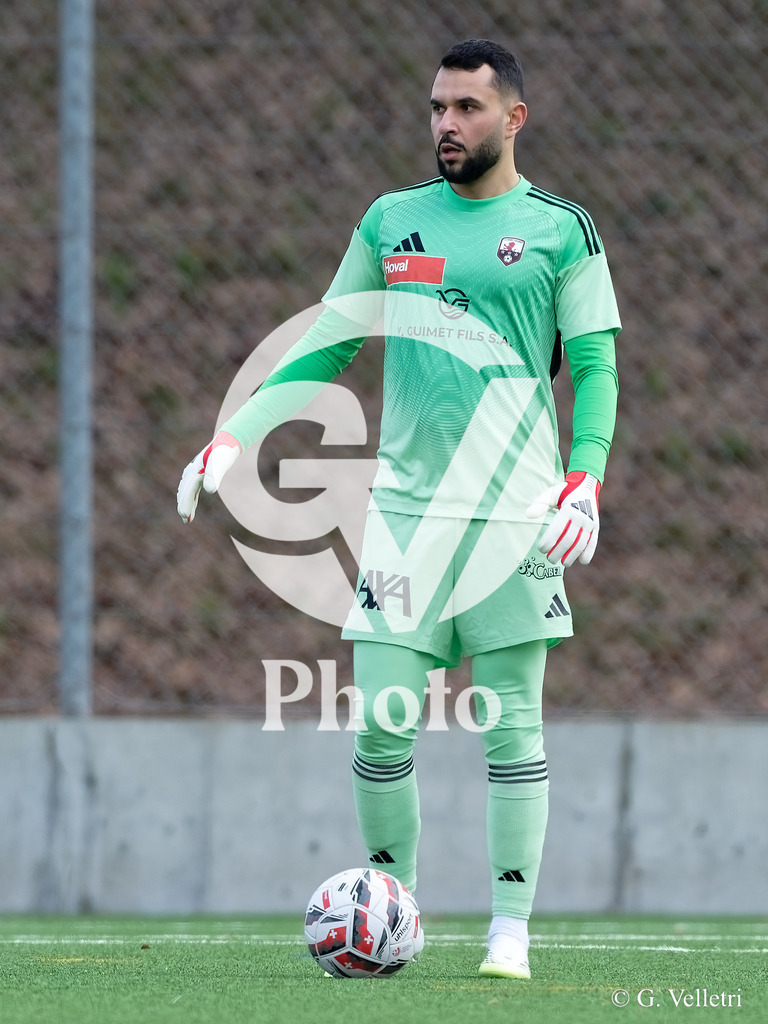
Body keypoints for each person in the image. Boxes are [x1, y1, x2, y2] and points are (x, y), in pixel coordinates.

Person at [177, 38, 620, 979]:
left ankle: (510, 932)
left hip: (513, 516)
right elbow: (327, 341)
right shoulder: (391, 222)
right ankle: (397, 911)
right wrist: (236, 431)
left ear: (514, 119)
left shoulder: (560, 230)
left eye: (466, 108)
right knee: (380, 721)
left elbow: (594, 364)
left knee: (511, 725)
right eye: (437, 108)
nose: (446, 125)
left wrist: (585, 474)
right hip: (407, 517)